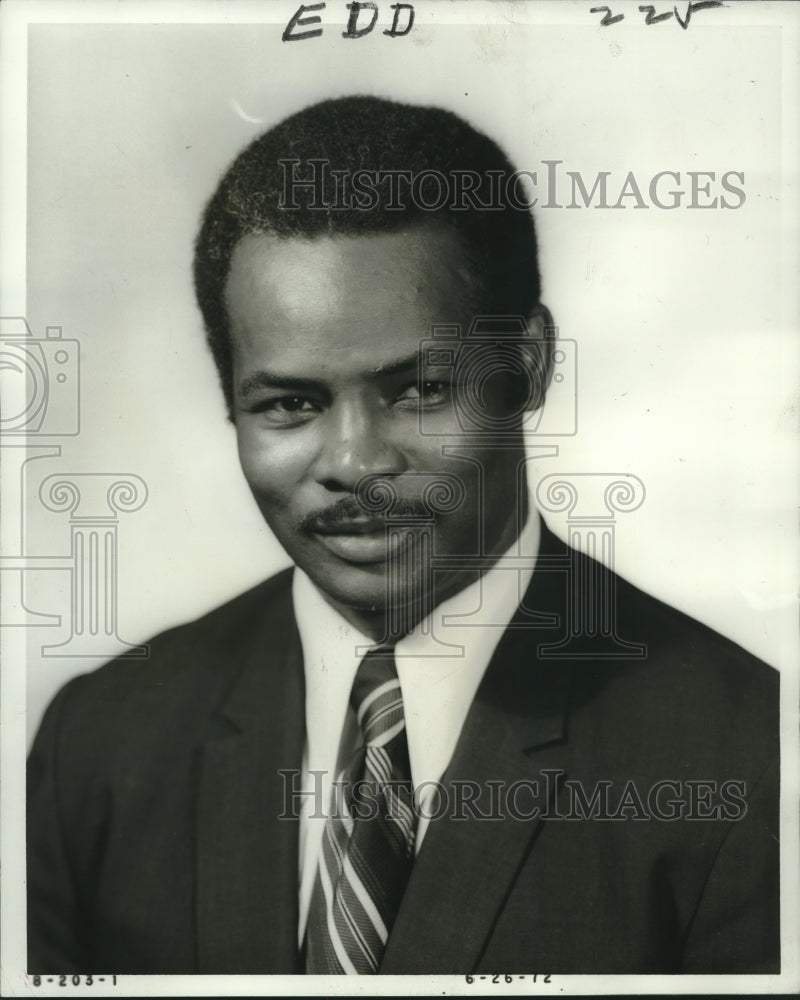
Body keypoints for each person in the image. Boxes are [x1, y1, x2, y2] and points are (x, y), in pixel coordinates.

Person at [27, 95, 779, 975]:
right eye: (290, 405)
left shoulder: (749, 755)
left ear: (528, 367)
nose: (352, 461)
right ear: (230, 401)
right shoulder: (101, 742)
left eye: (419, 389)